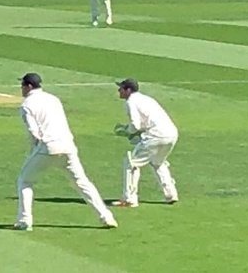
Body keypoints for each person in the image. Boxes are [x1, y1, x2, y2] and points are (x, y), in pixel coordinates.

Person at [15, 72, 117, 230]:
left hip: (47, 147)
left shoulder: (27, 105)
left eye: (22, 85)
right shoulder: (53, 99)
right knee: (82, 182)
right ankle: (106, 217)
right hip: (68, 146)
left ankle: (24, 221)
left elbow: (34, 132)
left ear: (29, 86)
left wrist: (34, 149)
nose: (21, 88)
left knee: (25, 181)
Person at [112, 79, 179, 208]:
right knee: (157, 162)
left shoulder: (131, 102)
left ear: (128, 90)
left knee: (131, 163)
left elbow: (135, 125)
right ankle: (171, 194)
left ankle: (129, 199)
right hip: (171, 134)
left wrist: (127, 131)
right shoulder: (147, 99)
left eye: (121, 88)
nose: (119, 91)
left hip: (155, 136)